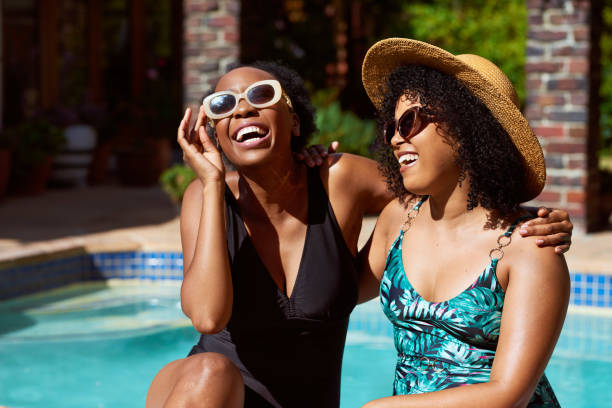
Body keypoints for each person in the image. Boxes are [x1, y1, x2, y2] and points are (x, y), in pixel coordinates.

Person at [145, 61, 573, 408]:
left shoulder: (342, 180)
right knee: (210, 374)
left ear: (293, 122)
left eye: (261, 96)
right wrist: (214, 183)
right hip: (219, 395)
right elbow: (207, 317)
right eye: (222, 105)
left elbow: (458, 189)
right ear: (213, 130)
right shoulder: (207, 195)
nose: (395, 139)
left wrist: (527, 215)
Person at [358, 38, 570, 407]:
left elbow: (509, 396)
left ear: (466, 126)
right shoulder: (399, 219)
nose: (394, 139)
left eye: (409, 122)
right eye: (391, 127)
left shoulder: (529, 248)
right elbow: (327, 298)